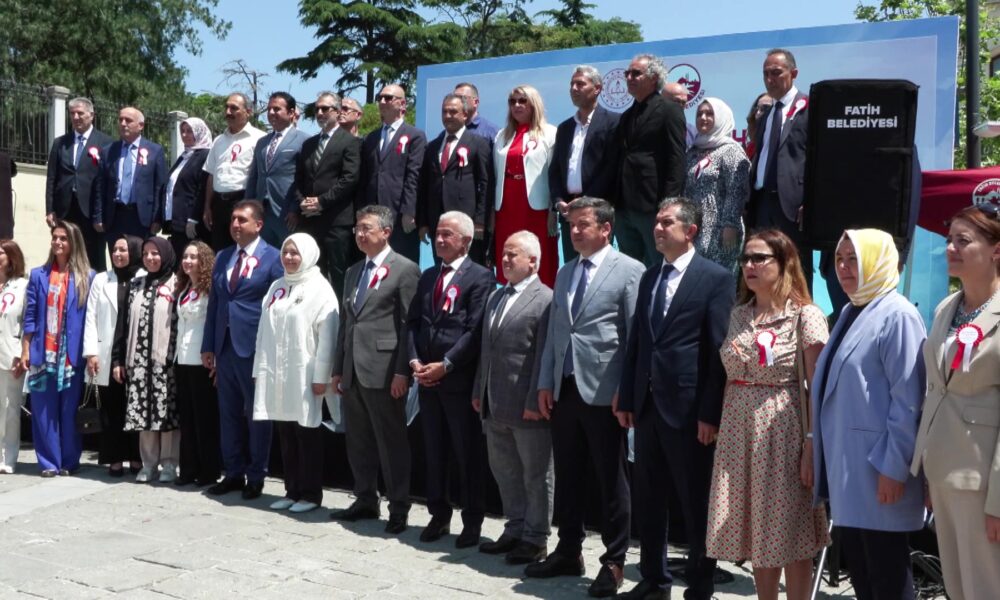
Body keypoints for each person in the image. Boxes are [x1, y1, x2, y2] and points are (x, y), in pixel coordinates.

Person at [616, 198, 734, 600]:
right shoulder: (650, 276)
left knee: (695, 501)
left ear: (691, 231)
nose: (657, 228)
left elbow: (717, 350)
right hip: (648, 406)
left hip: (688, 412)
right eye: (657, 221)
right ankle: (654, 580)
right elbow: (638, 341)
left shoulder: (715, 278)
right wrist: (628, 397)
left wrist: (709, 413)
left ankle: (700, 585)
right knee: (649, 498)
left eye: (667, 222)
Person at [705, 229, 829, 600]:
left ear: (785, 262)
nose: (749, 265)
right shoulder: (739, 315)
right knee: (757, 529)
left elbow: (818, 388)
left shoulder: (805, 316)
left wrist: (812, 445)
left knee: (790, 530)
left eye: (759, 258)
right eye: (745, 258)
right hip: (738, 433)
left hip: (783, 431)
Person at [530, 198, 643, 597]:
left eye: (583, 224)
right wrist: (546, 382)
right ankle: (568, 549)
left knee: (611, 479)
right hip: (565, 388)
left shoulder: (629, 270)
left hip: (605, 391)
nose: (574, 231)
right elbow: (556, 334)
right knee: (568, 474)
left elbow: (634, 336)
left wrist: (626, 389)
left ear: (606, 229)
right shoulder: (565, 272)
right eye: (572, 225)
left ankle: (614, 560)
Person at [812, 228, 927, 600]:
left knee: (887, 580)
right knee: (864, 577)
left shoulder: (899, 315)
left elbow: (909, 400)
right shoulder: (850, 310)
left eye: (854, 259)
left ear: (879, 261)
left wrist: (894, 468)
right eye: (839, 259)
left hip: (879, 473)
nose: (844, 268)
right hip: (851, 471)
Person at [911, 205, 1000, 600]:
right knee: (958, 589)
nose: (950, 248)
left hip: (984, 481)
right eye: (949, 240)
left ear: (996, 250)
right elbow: (937, 390)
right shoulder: (946, 308)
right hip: (944, 470)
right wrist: (929, 469)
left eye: (963, 241)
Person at [407, 211, 495, 548]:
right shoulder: (429, 275)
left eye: (448, 234)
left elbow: (474, 331)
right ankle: (438, 514)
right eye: (438, 234)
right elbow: (413, 322)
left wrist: (446, 365)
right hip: (427, 380)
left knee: (466, 453)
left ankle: (472, 520)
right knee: (434, 451)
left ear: (466, 241)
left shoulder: (481, 277)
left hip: (458, 380)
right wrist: (415, 361)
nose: (440, 240)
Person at [330, 205, 419, 533]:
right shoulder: (354, 271)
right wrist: (338, 368)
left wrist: (402, 372)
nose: (359, 233)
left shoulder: (405, 269)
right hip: (353, 368)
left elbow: (408, 324)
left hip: (385, 370)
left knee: (390, 441)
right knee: (359, 440)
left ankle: (399, 506)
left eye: (366, 228)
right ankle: (365, 497)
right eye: (357, 228)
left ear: (386, 232)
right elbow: (346, 323)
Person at [472, 230, 554, 565]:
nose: (505, 260)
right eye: (504, 254)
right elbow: (486, 350)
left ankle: (536, 538)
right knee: (505, 470)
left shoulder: (546, 299)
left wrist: (535, 400)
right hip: (495, 402)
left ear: (533, 261)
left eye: (513, 255)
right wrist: (479, 390)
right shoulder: (496, 296)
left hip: (527, 406)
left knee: (536, 475)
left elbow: (544, 355)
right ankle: (515, 527)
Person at [202, 200, 283, 499]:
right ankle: (233, 472)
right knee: (229, 413)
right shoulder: (223, 256)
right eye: (233, 219)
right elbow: (215, 304)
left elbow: (276, 308)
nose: (235, 224)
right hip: (224, 347)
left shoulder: (273, 258)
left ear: (258, 225)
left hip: (254, 347)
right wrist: (208, 345)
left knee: (257, 414)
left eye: (242, 220)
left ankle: (257, 475)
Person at [253, 233, 339, 514]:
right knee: (286, 432)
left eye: (295, 253)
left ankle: (311, 494)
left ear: (309, 255)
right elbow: (262, 330)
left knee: (306, 432)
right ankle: (292, 490)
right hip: (276, 373)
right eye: (286, 253)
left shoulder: (320, 288)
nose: (289, 258)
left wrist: (321, 377)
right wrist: (259, 369)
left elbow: (328, 336)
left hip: (305, 374)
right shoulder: (277, 286)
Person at [22, 221, 94, 476]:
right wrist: (26, 349)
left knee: (68, 410)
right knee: (43, 411)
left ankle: (69, 462)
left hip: (71, 355)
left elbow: (90, 319)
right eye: (55, 237)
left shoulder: (87, 277)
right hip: (43, 354)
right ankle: (49, 463)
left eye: (63, 238)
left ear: (73, 242)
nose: (57, 242)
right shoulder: (38, 275)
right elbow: (30, 315)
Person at [112, 237, 179, 483]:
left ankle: (169, 464)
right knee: (143, 412)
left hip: (166, 362)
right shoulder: (136, 285)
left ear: (166, 254)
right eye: (146, 254)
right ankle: (149, 464)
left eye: (155, 253)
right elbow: (123, 325)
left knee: (167, 413)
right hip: (139, 361)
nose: (150, 258)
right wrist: (118, 360)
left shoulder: (177, 283)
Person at [614, 54, 687, 267]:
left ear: (654, 78)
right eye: (627, 73)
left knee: (658, 266)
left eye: (636, 73)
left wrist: (668, 205)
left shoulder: (670, 110)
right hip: (624, 206)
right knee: (629, 268)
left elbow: (677, 159)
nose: (629, 78)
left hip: (653, 206)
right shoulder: (626, 115)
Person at [747, 49, 812, 280]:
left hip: (792, 206)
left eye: (776, 73)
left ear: (793, 73)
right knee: (763, 270)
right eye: (765, 73)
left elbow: (818, 160)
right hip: (761, 203)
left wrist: (811, 200)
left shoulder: (809, 108)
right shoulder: (767, 113)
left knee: (795, 273)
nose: (769, 79)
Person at [83, 234, 143, 476]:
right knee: (112, 408)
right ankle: (115, 458)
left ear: (134, 252)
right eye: (115, 250)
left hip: (134, 355)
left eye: (123, 250)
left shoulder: (143, 278)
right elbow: (91, 316)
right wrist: (91, 353)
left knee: (134, 407)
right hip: (107, 354)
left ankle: (137, 458)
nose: (117, 254)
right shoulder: (101, 279)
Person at [293, 91, 361, 299]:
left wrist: (322, 202)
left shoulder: (349, 142)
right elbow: (298, 179)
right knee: (312, 272)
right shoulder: (309, 144)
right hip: (310, 221)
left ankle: (340, 316)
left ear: (338, 111)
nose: (320, 113)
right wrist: (302, 202)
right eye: (317, 109)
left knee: (339, 274)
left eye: (325, 109)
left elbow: (350, 179)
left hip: (336, 221)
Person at [549, 66, 621, 263]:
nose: (574, 88)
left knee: (598, 266)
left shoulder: (613, 122)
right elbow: (555, 170)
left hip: (598, 208)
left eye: (580, 84)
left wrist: (586, 200)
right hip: (569, 211)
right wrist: (558, 200)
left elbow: (611, 168)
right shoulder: (565, 127)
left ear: (597, 88)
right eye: (572, 84)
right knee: (574, 266)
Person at [493, 85, 558, 286]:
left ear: (534, 104)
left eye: (522, 101)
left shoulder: (550, 133)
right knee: (510, 253)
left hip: (536, 208)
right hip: (506, 206)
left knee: (539, 254)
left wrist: (552, 210)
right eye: (512, 102)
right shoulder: (501, 135)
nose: (517, 105)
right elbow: (495, 173)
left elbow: (555, 175)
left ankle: (543, 297)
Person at [358, 84, 426, 264]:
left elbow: (414, 176)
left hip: (399, 215)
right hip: (374, 215)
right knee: (374, 263)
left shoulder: (415, 136)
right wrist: (362, 211)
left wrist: (409, 211)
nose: (382, 101)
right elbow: (365, 177)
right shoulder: (370, 138)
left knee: (402, 264)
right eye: (379, 98)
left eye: (388, 98)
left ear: (402, 104)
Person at [419, 94, 491, 265]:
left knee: (469, 269)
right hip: (438, 222)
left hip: (467, 222)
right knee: (442, 269)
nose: (448, 116)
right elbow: (423, 186)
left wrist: (480, 221)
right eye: (444, 112)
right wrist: (423, 222)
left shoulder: (478, 143)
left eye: (453, 112)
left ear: (465, 115)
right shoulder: (432, 146)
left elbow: (485, 184)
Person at [45, 97, 114, 271]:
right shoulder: (60, 143)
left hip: (91, 211)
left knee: (94, 256)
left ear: (91, 115)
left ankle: (93, 286)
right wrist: (50, 209)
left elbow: (108, 180)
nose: (75, 117)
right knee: (64, 252)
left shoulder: (106, 143)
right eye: (72, 113)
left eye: (80, 113)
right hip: (65, 209)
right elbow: (52, 177)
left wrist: (102, 213)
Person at [684, 98, 751, 274]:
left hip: (721, 229)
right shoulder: (693, 151)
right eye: (699, 114)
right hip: (694, 227)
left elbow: (736, 191)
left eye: (709, 114)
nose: (703, 118)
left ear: (721, 117)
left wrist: (730, 225)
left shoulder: (731, 150)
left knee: (718, 278)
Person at [173, 240, 221, 487]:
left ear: (204, 261)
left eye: (193, 257)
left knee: (204, 419)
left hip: (202, 360)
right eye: (185, 257)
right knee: (188, 418)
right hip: (182, 359)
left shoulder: (210, 289)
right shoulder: (183, 288)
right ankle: (188, 468)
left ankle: (208, 470)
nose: (188, 261)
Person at [93, 107, 168, 247]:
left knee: (141, 257)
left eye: (128, 120)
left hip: (142, 219)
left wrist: (157, 219)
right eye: (120, 119)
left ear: (141, 126)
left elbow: (160, 187)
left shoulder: (155, 151)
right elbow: (100, 186)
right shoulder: (108, 151)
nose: (123, 123)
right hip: (114, 217)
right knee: (118, 257)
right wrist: (98, 216)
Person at [202, 93, 265, 251]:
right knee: (220, 252)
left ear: (248, 112)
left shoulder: (260, 139)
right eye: (227, 107)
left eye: (234, 108)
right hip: (218, 204)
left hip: (243, 201)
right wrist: (207, 206)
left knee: (244, 250)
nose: (228, 112)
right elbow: (211, 174)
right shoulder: (218, 140)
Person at [246, 92, 310, 247]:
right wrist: (248, 206)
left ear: (291, 112)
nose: (271, 113)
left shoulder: (304, 140)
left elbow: (305, 179)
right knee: (264, 255)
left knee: (289, 255)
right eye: (269, 109)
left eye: (276, 109)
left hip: (287, 213)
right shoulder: (262, 142)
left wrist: (296, 209)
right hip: (262, 212)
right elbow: (254, 176)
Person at [164, 118, 212, 259]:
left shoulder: (205, 155)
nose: (184, 135)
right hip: (177, 220)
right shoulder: (185, 156)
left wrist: (193, 218)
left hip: (190, 222)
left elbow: (202, 189)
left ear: (199, 132)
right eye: (182, 131)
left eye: (189, 131)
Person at [0, 240, 28, 473]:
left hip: (10, 355)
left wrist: (22, 353)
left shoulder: (23, 286)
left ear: (11, 257)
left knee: (10, 409)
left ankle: (7, 457)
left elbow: (27, 323)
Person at [744, 93, 774, 160]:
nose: (758, 113)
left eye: (764, 108)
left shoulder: (782, 144)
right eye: (756, 109)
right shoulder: (751, 148)